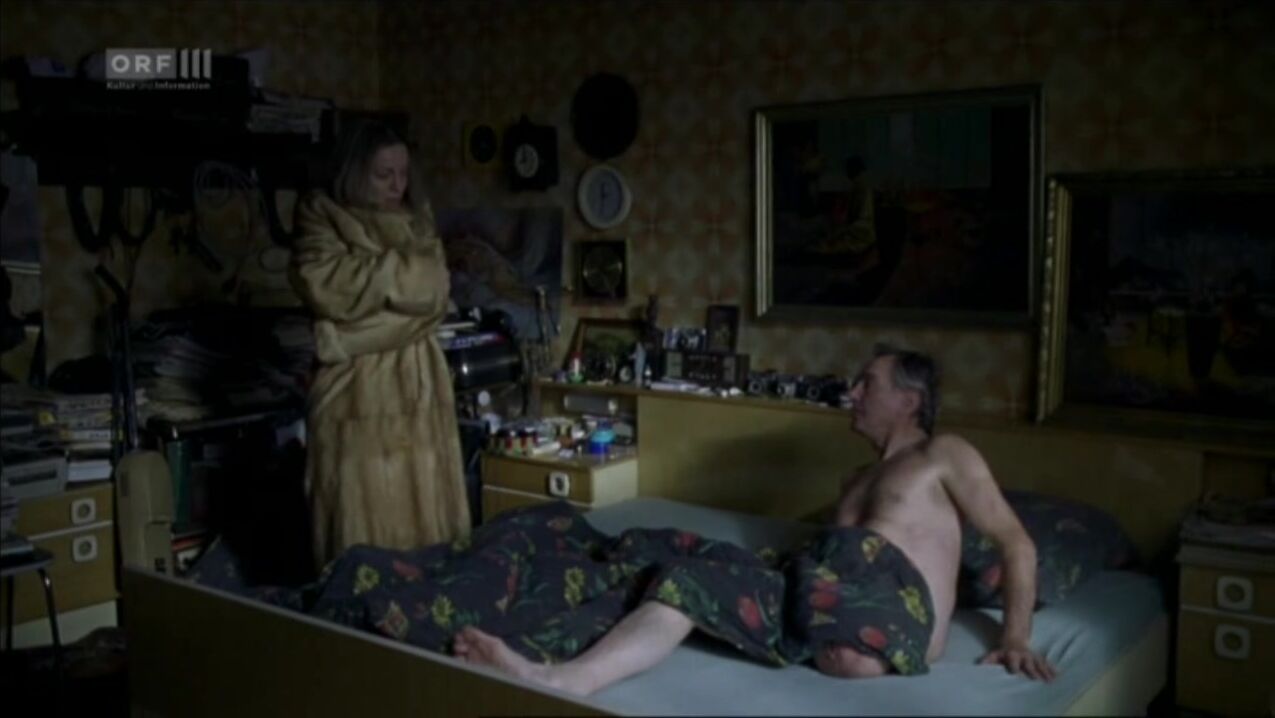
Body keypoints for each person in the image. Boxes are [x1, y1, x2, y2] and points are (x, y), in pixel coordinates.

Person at [453, 345, 1056, 694]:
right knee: (681, 574)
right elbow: (827, 555)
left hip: (887, 616)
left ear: (909, 400)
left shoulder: (944, 455)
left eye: (866, 383)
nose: (851, 392)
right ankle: (563, 680)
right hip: (821, 608)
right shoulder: (854, 482)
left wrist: (1015, 639)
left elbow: (1016, 544)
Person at [290, 120, 470, 569]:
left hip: (422, 394)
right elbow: (326, 288)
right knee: (359, 549)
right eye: (383, 174)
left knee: (430, 549)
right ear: (355, 172)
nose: (397, 185)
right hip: (355, 397)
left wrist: (342, 337)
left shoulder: (417, 219)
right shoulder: (323, 214)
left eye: (403, 173)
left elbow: (436, 298)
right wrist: (403, 278)